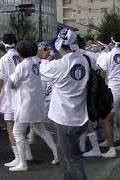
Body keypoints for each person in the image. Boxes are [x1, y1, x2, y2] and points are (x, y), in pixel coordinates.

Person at [40, 28, 89, 180]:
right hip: (80, 115)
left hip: (65, 118)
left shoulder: (59, 65)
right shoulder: (84, 59)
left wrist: (46, 57)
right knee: (67, 155)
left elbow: (43, 70)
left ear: (60, 45)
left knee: (71, 159)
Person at [8, 41, 58, 172]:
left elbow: (13, 84)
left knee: (17, 132)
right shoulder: (36, 63)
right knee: (41, 130)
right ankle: (57, 154)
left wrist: (9, 79)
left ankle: (22, 163)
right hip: (36, 103)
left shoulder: (21, 66)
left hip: (25, 104)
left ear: (20, 53)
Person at [0, 33, 23, 167]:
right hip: (21, 97)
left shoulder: (4, 59)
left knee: (11, 128)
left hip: (9, 98)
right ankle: (25, 155)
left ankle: (18, 158)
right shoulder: (21, 55)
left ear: (4, 44)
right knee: (21, 129)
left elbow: (1, 81)